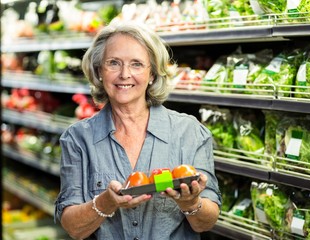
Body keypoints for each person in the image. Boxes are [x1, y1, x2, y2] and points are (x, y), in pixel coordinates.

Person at [54, 20, 221, 240]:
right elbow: (74, 227)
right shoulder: (78, 139)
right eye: (113, 63)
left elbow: (206, 222)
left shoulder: (190, 132)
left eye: (136, 64)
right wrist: (106, 202)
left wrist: (190, 202)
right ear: (99, 71)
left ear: (152, 74)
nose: (124, 74)